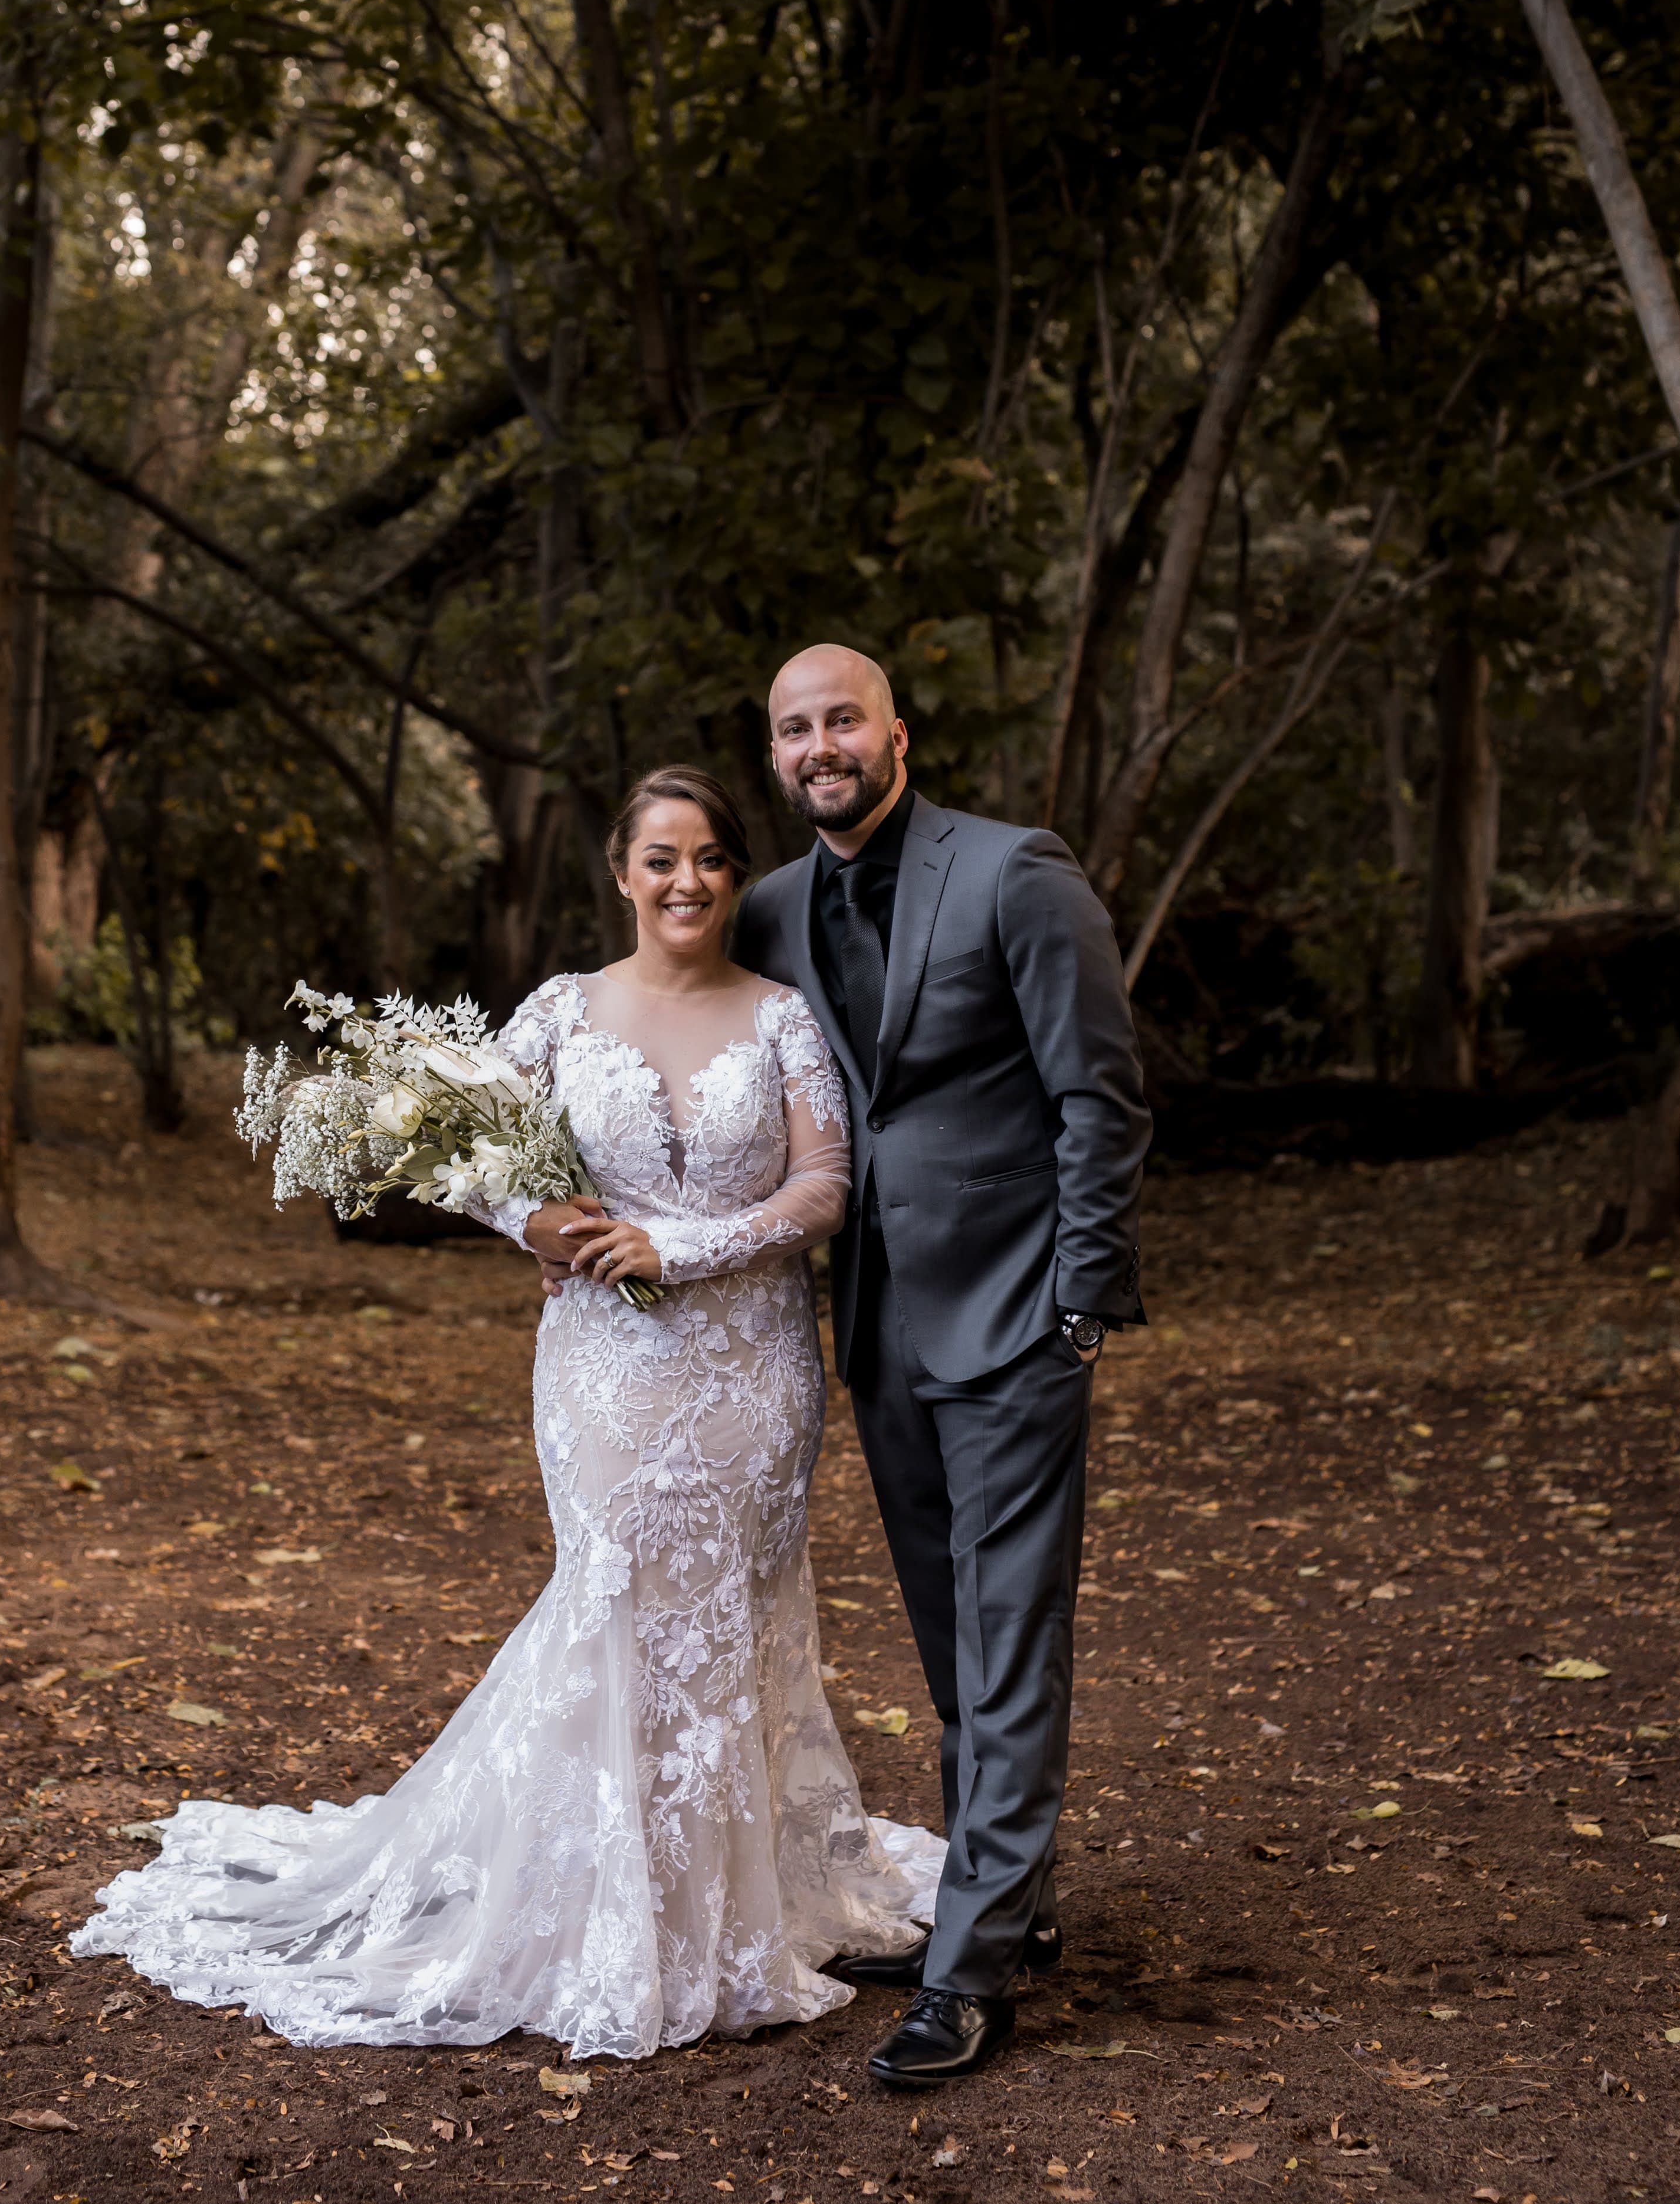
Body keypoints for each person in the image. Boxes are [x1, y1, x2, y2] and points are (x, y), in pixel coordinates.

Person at [71, 763, 940, 2061]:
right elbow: (452, 1150)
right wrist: (531, 1215)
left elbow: (824, 1182)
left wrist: (681, 1249)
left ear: (732, 871)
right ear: (621, 871)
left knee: (739, 1611)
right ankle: (604, 1905)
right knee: (614, 1593)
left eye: (708, 858)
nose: (687, 881)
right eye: (661, 859)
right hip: (601, 1368)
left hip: (753, 1368)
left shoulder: (781, 1018)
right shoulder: (559, 1011)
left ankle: (738, 1904)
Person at [731, 645, 1151, 2089]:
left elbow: (1098, 1094)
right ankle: (1005, 1897)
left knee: (1010, 1632)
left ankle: (970, 1971)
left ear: (897, 731)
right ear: (777, 757)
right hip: (876, 1328)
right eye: (794, 730)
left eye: (841, 718)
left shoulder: (1014, 872)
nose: (820, 745)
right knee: (949, 1636)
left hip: (1019, 1316)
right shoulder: (774, 910)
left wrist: (1080, 1301)